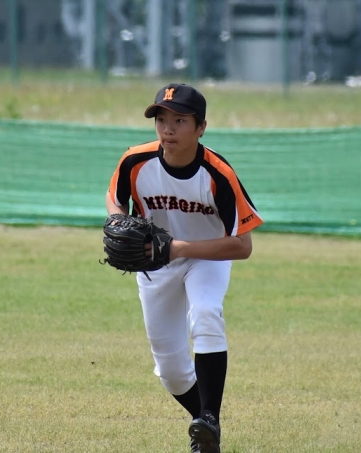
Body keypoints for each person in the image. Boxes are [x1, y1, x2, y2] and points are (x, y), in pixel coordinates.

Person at [104, 82, 263, 453]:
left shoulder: (218, 173)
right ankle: (206, 427)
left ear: (201, 127)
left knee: (206, 313)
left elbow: (243, 246)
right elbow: (115, 199)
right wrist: (117, 221)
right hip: (155, 264)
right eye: (161, 119)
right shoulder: (135, 161)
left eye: (179, 120)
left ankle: (208, 418)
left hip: (207, 258)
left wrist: (177, 248)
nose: (168, 129)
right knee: (172, 371)